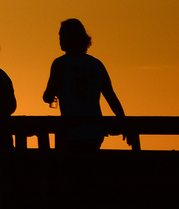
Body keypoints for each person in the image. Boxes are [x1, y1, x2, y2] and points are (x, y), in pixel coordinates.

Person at [42, 18, 127, 150]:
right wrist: (123, 121)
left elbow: (48, 95)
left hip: (71, 130)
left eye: (62, 36)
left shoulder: (60, 64)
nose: (60, 40)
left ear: (69, 38)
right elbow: (110, 96)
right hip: (95, 130)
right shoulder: (96, 64)